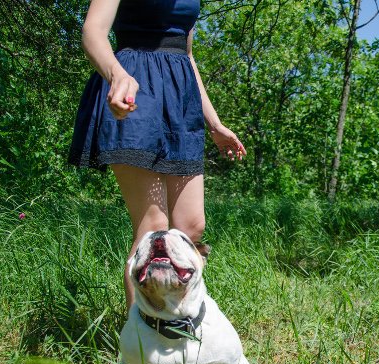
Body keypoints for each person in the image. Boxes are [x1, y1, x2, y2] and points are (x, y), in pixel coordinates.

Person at [68, 0, 246, 309]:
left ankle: (176, 327)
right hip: (134, 88)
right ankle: (140, 342)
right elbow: (92, 33)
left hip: (180, 99)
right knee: (152, 229)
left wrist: (214, 123)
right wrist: (117, 76)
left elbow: (187, 56)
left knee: (190, 227)